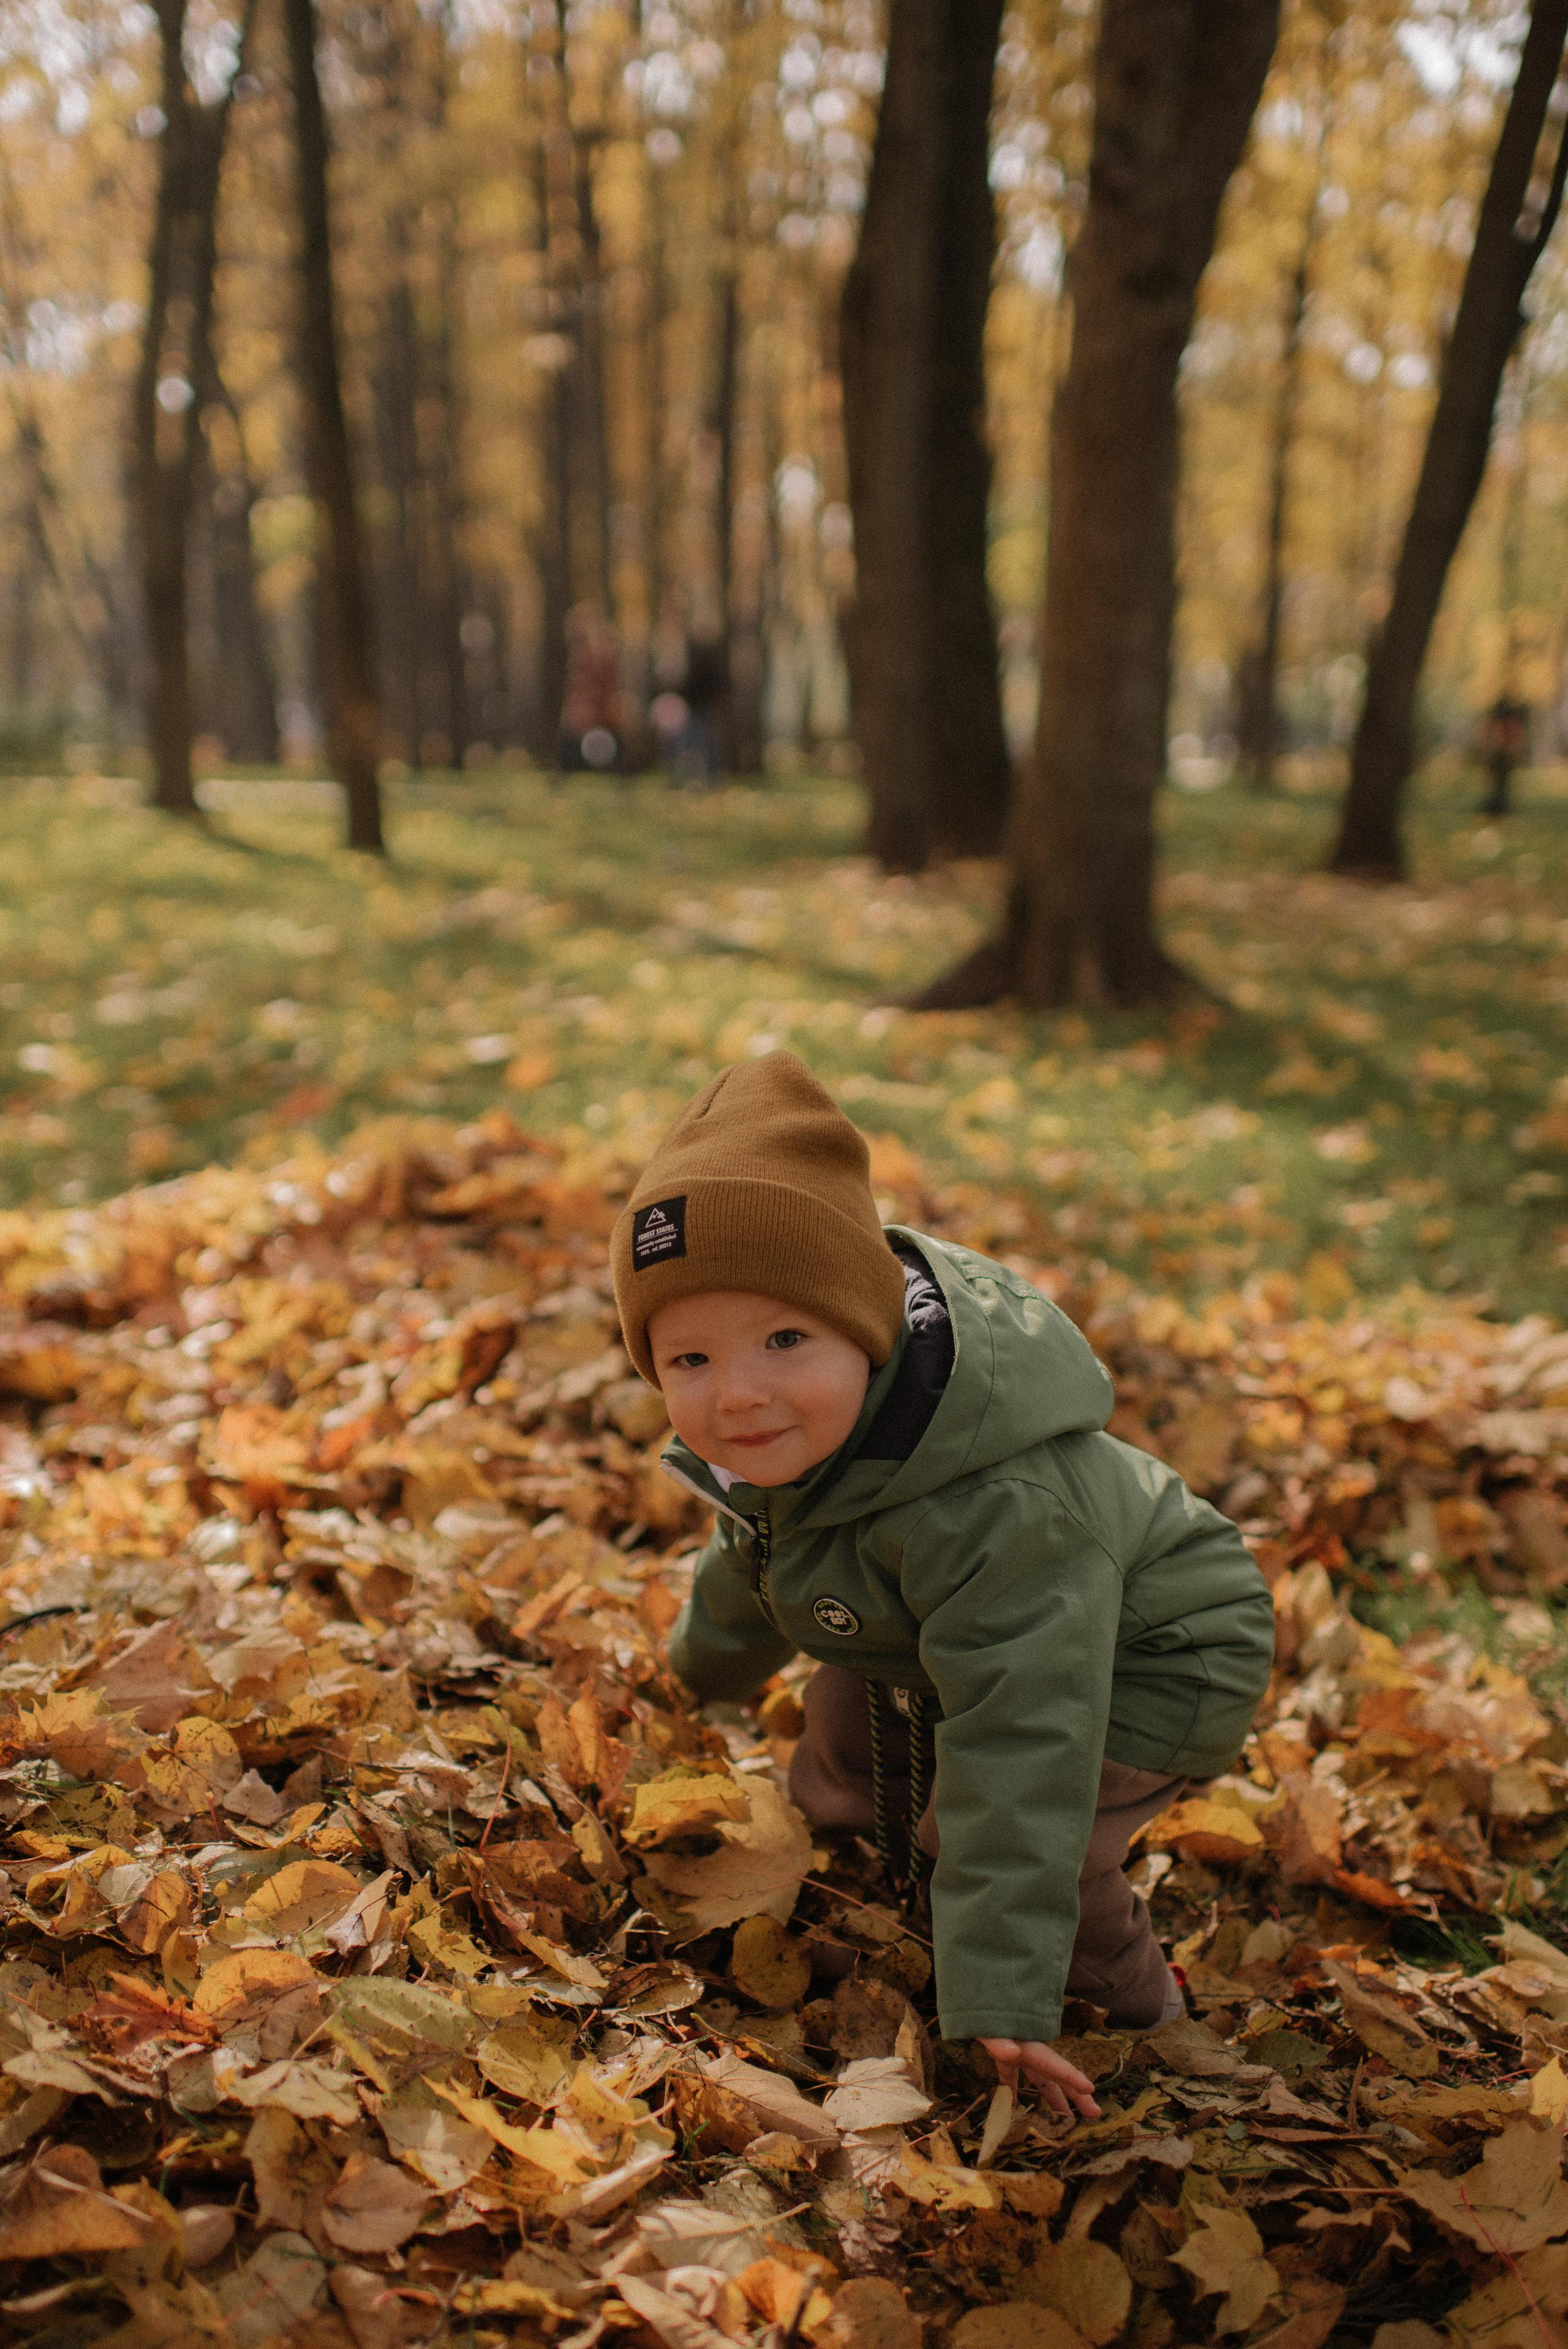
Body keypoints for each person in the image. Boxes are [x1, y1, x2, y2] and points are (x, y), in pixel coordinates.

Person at [610, 1053, 1274, 2120]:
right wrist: (692, 1675)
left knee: (996, 1824)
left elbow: (1027, 1735)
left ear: (868, 1335)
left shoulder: (995, 1504)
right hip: (939, 1623)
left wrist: (997, 1982)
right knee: (840, 1726)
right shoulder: (786, 1444)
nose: (737, 1392)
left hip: (1151, 1652)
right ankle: (862, 1882)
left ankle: (1134, 2003)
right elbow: (757, 1565)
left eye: (786, 1338)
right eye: (688, 1358)